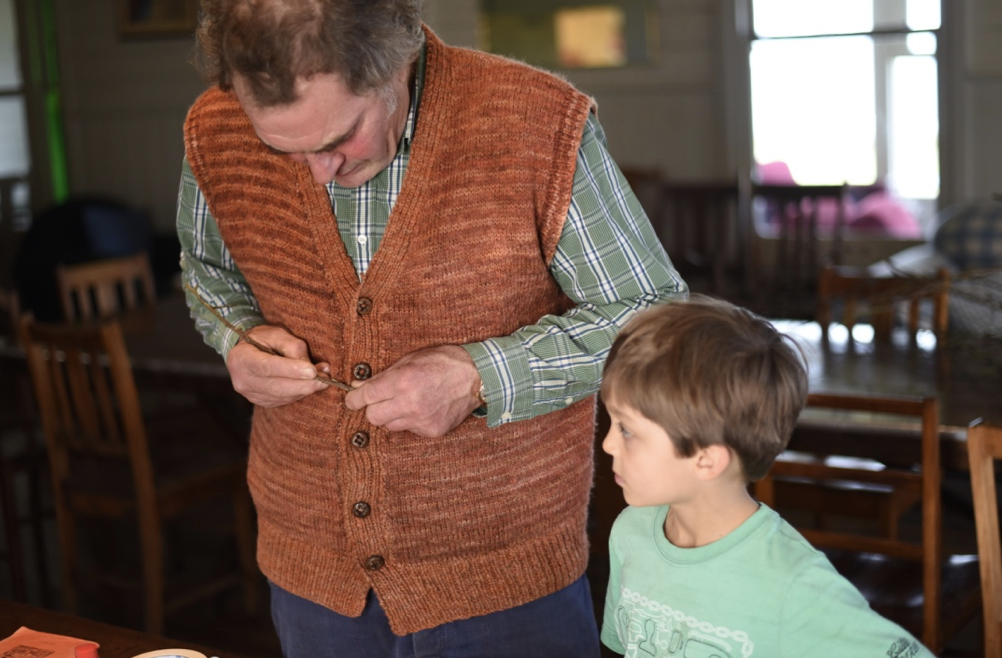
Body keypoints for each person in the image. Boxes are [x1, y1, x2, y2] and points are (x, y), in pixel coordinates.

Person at [175, 1, 687, 656]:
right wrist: (235, 338)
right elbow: (206, 271)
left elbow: (654, 319)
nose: (317, 172)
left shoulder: (538, 122)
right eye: (283, 148)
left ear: (395, 57)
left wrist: (482, 377)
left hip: (506, 587)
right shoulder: (212, 131)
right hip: (310, 576)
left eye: (338, 139)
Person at [598, 296, 934, 658]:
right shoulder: (630, 533)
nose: (607, 444)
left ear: (707, 459)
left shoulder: (794, 584)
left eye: (627, 430)